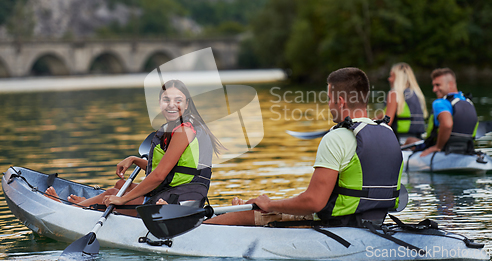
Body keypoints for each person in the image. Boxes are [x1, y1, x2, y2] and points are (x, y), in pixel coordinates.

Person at [206, 67, 404, 227]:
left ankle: (201, 230)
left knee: (253, 213)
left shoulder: (337, 137)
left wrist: (269, 204)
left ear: (340, 101)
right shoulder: (388, 133)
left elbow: (314, 202)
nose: (328, 104)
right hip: (375, 222)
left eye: (328, 99)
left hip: (339, 224)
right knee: (261, 205)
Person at [45, 79, 224, 214]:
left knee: (113, 193)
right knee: (120, 185)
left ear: (186, 104)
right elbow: (173, 170)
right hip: (177, 194)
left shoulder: (183, 131)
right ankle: (85, 204)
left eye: (178, 100)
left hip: (179, 203)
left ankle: (70, 210)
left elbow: (159, 175)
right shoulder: (178, 128)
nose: (171, 105)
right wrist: (135, 159)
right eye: (166, 100)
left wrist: (121, 200)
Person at [407, 68, 478, 157]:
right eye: (433, 85)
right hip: (465, 148)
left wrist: (437, 147)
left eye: (438, 85)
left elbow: (447, 124)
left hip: (444, 149)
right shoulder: (468, 102)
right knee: (411, 140)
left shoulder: (440, 102)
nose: (434, 89)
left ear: (450, 84)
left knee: (409, 141)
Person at [377, 63, 428, 142]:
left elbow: (387, 122)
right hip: (418, 140)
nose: (389, 79)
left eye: (391, 76)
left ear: (398, 78)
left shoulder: (394, 94)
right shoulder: (417, 94)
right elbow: (384, 114)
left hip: (401, 141)